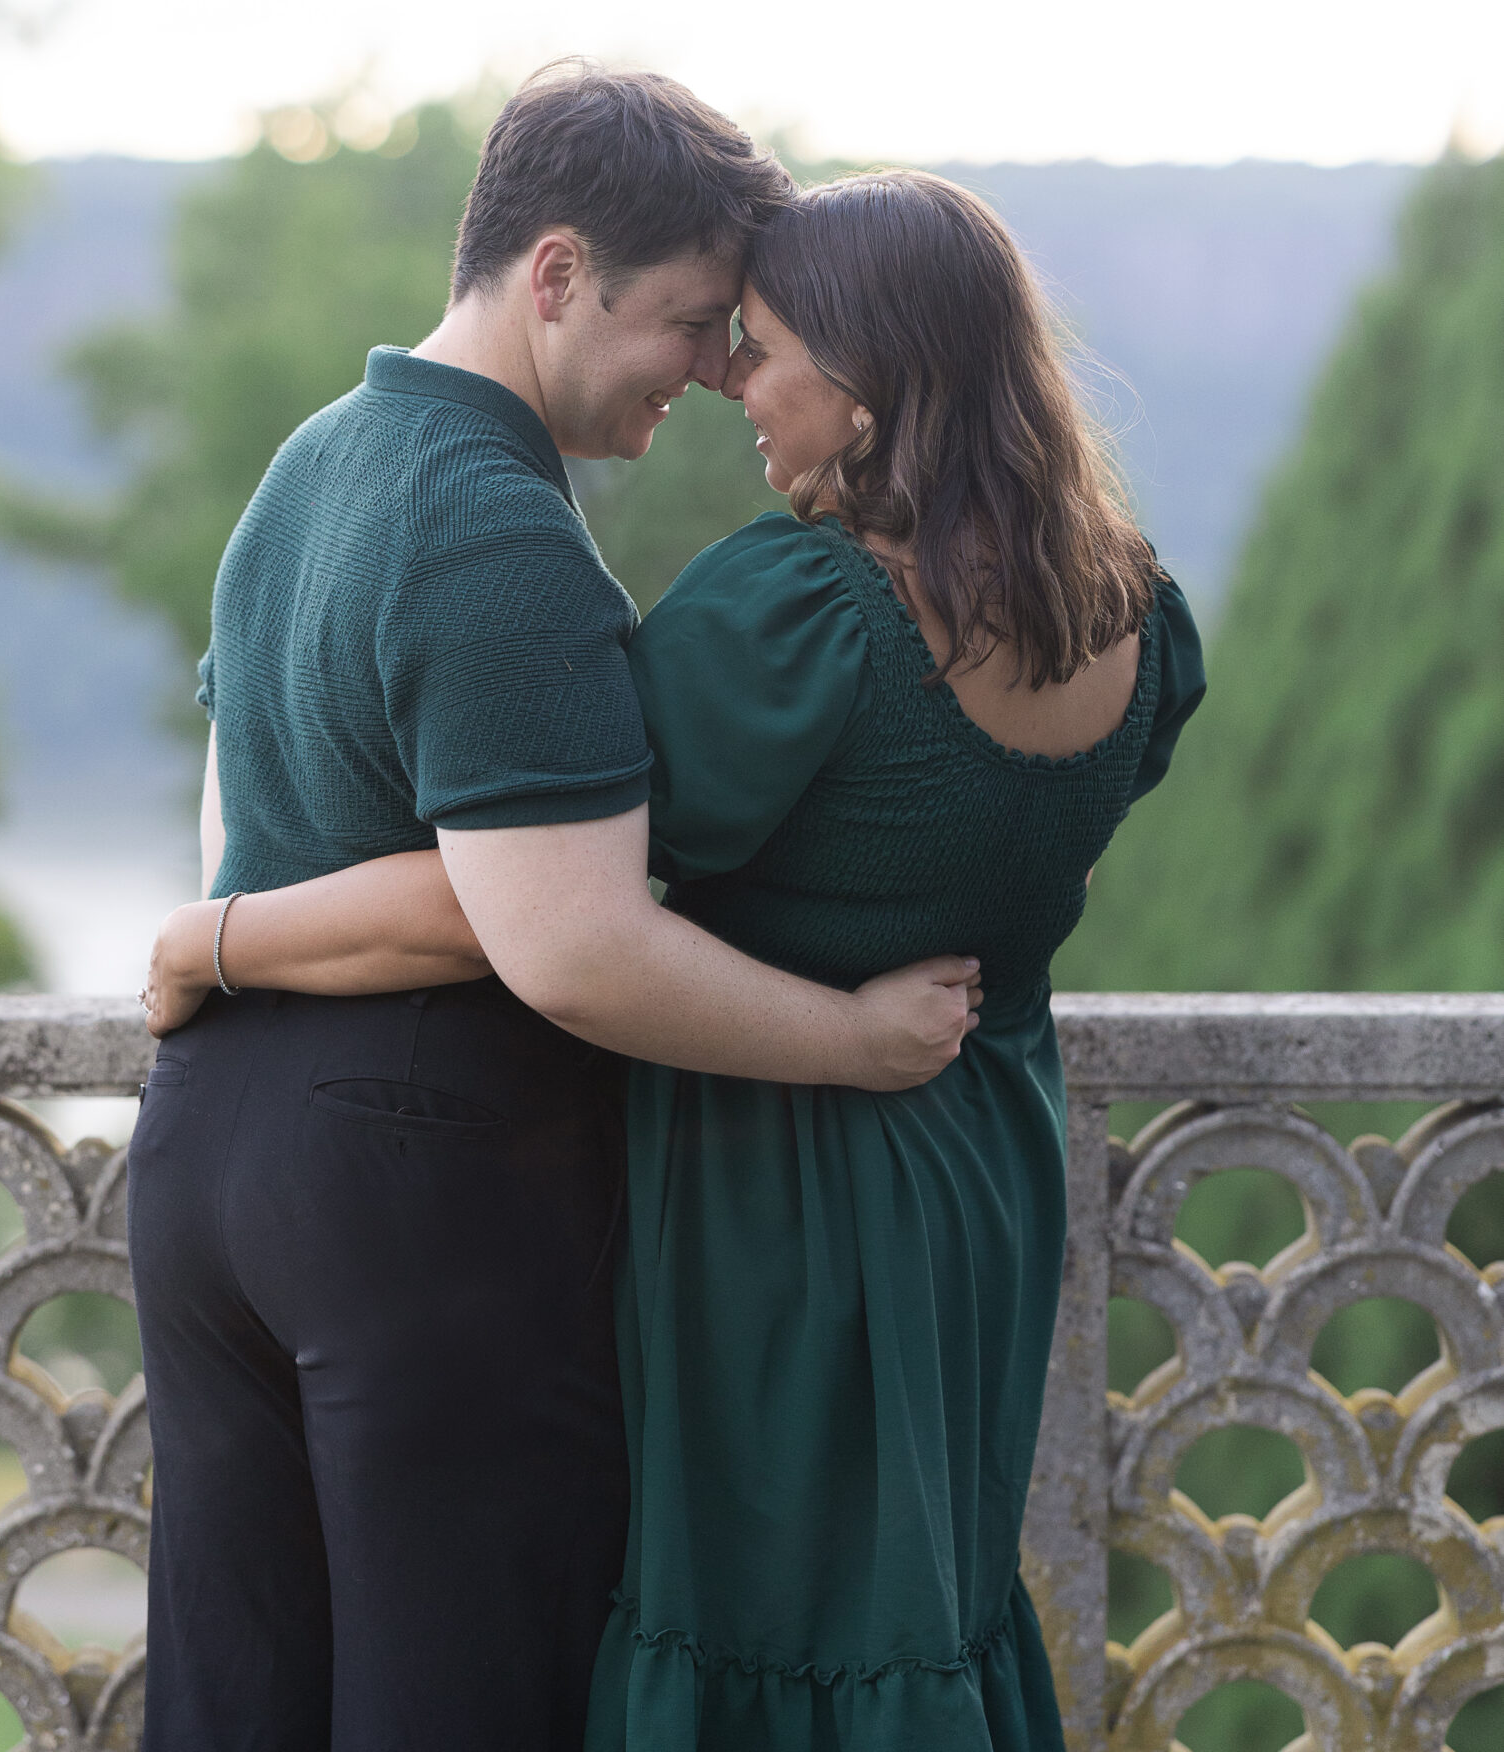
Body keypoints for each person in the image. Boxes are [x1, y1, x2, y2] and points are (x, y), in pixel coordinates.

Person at [146, 166, 1205, 1749]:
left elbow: (547, 899)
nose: (729, 383)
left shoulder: (794, 616)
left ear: (867, 384)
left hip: (768, 1188)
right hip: (981, 1169)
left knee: (750, 1627)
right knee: (922, 1610)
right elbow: (1054, 858)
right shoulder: (1134, 616)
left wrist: (217, 934)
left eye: (757, 346)